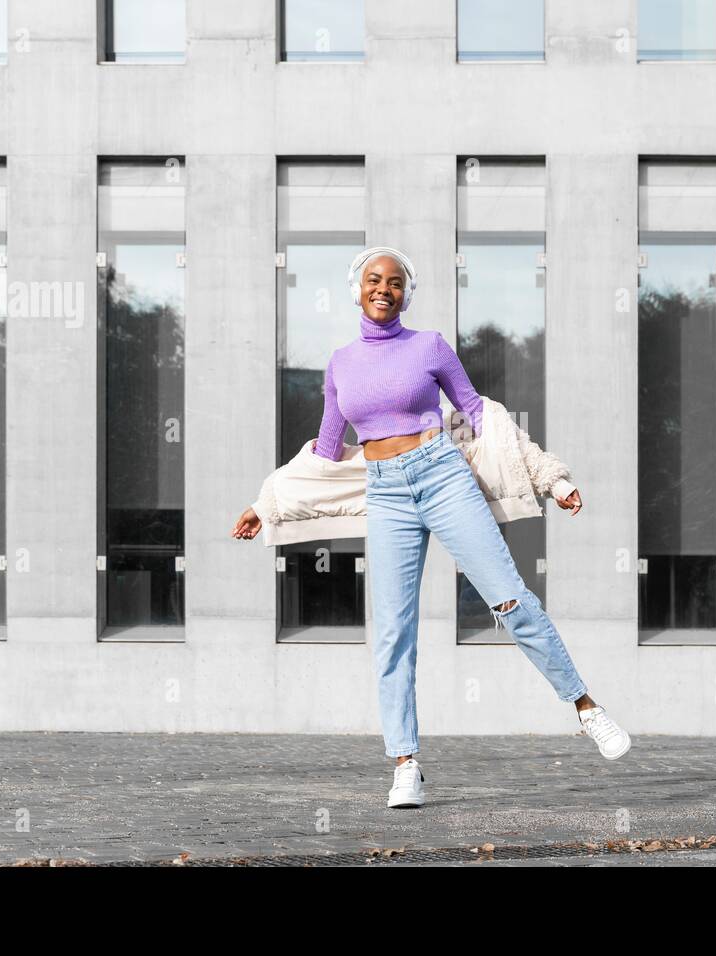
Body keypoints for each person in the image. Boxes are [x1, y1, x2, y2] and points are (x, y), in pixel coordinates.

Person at [232, 246, 629, 808]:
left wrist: (550, 477)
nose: (384, 289)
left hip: (443, 476)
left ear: (406, 293)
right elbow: (323, 456)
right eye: (374, 280)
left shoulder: (430, 345)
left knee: (509, 599)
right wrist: (266, 503)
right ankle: (405, 764)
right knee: (393, 631)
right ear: (358, 288)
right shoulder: (341, 363)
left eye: (395, 282)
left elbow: (486, 420)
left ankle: (586, 707)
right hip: (386, 491)